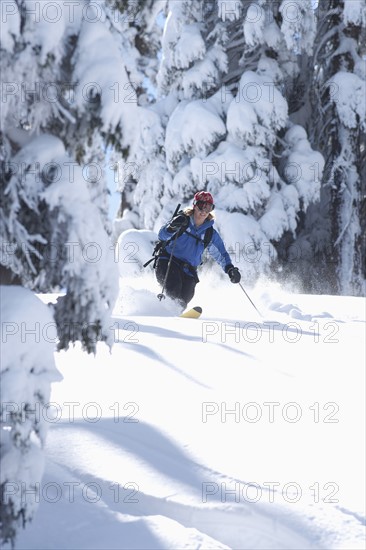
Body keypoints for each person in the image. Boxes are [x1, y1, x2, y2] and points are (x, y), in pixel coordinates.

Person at [155, 191, 241, 309]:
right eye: (202, 206)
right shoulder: (182, 221)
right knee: (174, 287)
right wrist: (172, 227)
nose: (204, 211)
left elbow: (220, 254)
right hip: (168, 263)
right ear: (195, 205)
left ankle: (174, 313)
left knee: (186, 295)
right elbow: (162, 235)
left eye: (209, 207)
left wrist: (230, 269)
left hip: (188, 270)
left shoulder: (209, 233)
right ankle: (162, 311)